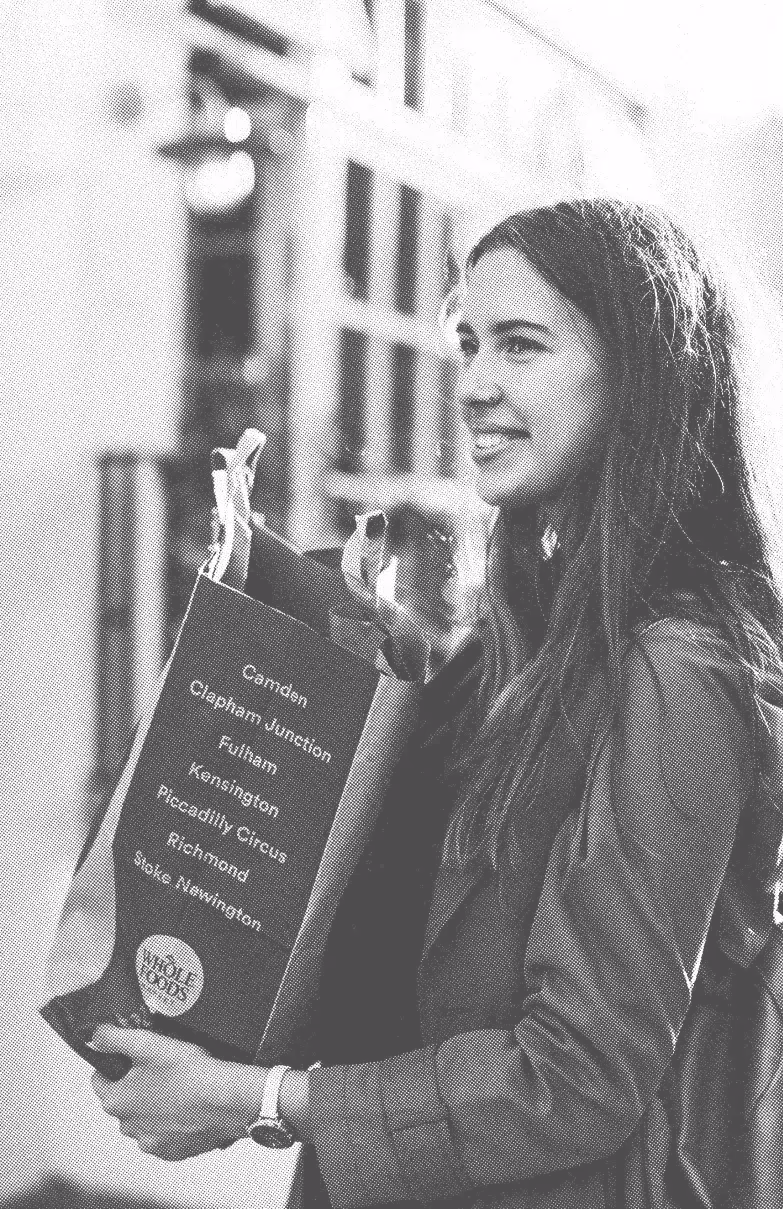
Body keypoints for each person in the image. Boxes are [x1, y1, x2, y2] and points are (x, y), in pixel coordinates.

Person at [89, 198, 783, 1208]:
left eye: (521, 344)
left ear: (642, 371)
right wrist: (347, 661)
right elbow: (414, 947)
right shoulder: (524, 651)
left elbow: (576, 1080)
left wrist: (261, 1100)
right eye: (468, 343)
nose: (475, 385)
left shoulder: (682, 667)